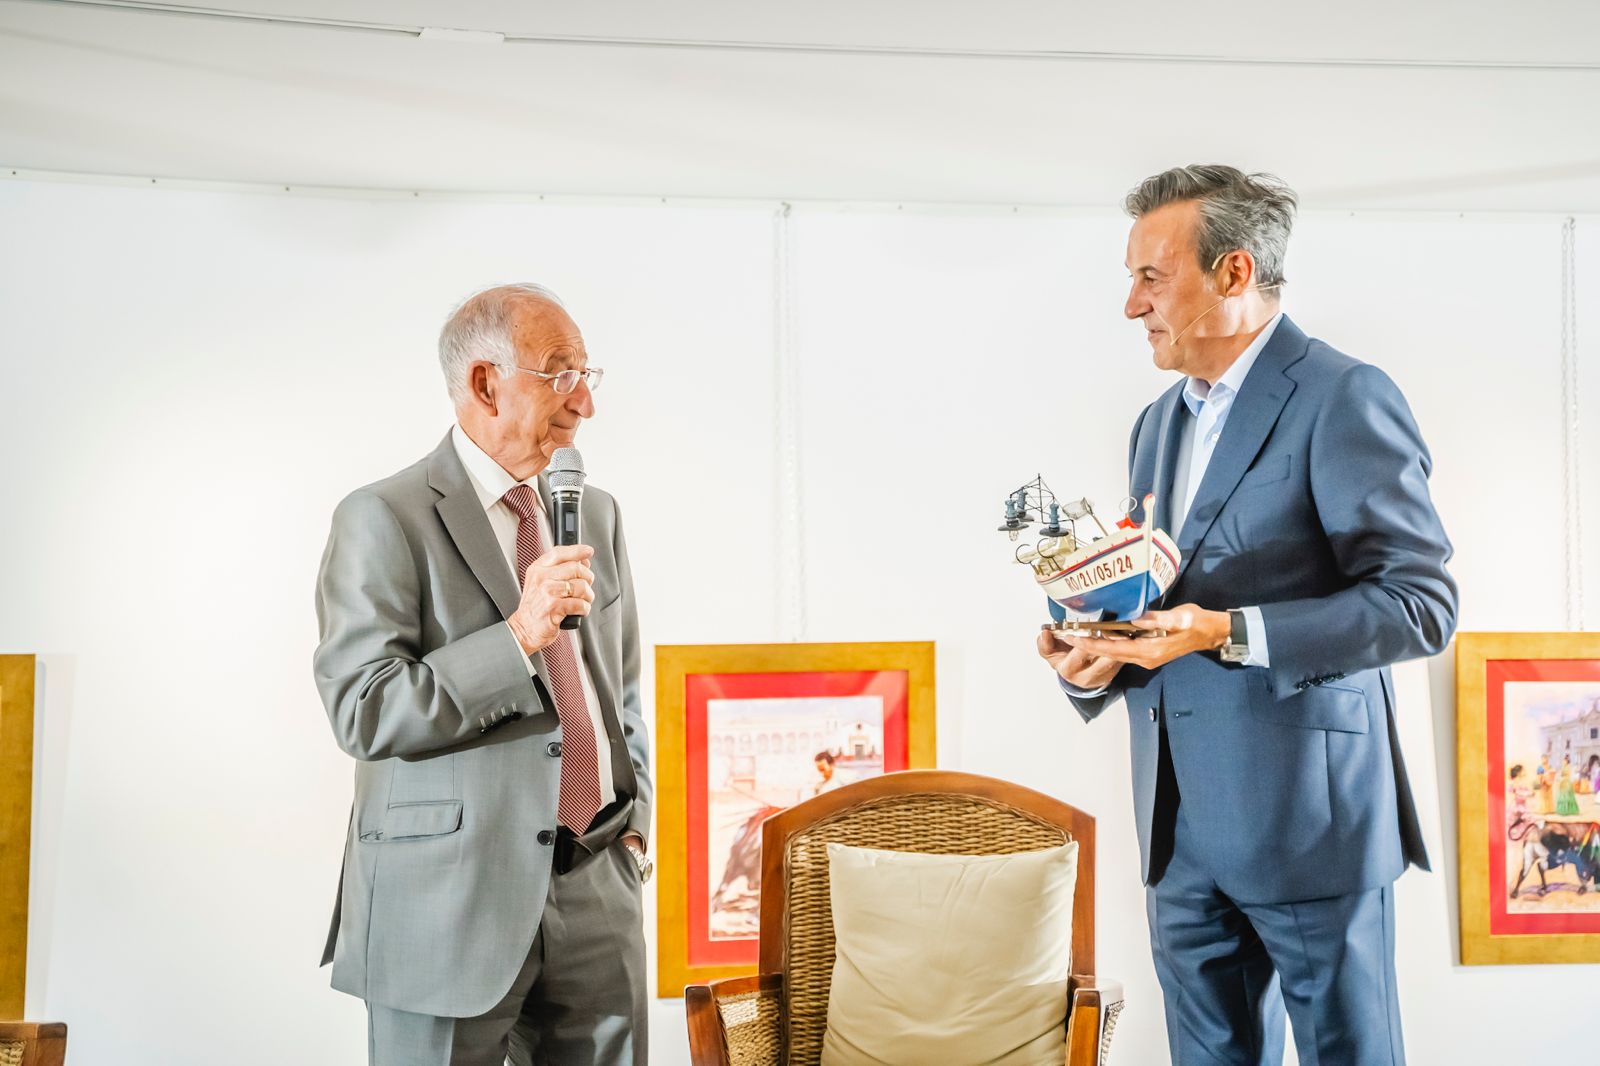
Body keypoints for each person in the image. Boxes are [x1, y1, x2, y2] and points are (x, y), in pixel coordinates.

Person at [1036, 166, 1457, 1065]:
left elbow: (1419, 606)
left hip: (1314, 828)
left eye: (1151, 278)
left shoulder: (1343, 395)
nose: (1131, 305)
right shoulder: (1156, 423)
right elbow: (1161, 600)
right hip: (1178, 837)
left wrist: (1228, 632)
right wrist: (1097, 652)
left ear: (1233, 272)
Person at [313, 283, 652, 1066]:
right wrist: (518, 636)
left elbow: (623, 685)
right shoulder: (382, 516)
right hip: (446, 901)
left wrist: (635, 823)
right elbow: (364, 709)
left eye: (586, 377)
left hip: (597, 878)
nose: (584, 404)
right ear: (485, 383)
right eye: (561, 374)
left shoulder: (593, 511)